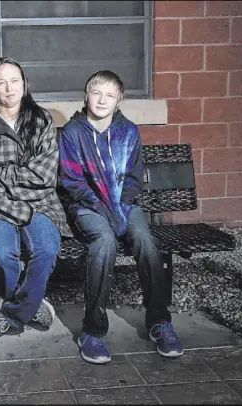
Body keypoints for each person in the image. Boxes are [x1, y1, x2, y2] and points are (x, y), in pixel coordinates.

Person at [58, 70, 183, 364]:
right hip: (86, 207)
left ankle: (159, 321)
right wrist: (105, 211)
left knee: (145, 241)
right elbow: (72, 181)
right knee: (103, 242)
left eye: (110, 95)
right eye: (97, 93)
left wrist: (119, 207)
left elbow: (134, 177)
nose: (102, 100)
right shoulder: (73, 132)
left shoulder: (129, 132)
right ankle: (92, 331)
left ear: (119, 101)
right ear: (86, 95)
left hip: (124, 205)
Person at [0, 56, 72, 339]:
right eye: (1, 82)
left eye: (15, 81)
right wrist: (14, 201)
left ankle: (13, 310)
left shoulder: (42, 119)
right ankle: (32, 303)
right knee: (2, 253)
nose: (9, 88)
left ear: (24, 83)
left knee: (46, 249)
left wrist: (0, 174)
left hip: (41, 205)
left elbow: (43, 177)